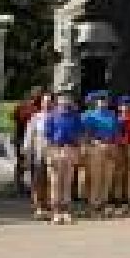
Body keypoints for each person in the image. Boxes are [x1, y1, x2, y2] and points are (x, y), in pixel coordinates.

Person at [43, 89, 83, 224]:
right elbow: (47, 137)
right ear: (57, 101)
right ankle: (56, 212)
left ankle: (66, 211)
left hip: (70, 150)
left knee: (67, 182)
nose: (65, 101)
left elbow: (78, 136)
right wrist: (50, 154)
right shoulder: (52, 116)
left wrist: (77, 153)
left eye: (68, 98)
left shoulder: (75, 116)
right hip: (56, 149)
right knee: (55, 182)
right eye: (62, 98)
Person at [21, 92, 54, 220]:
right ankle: (39, 207)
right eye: (45, 101)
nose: (47, 104)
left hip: (53, 153)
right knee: (38, 181)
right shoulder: (35, 118)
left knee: (51, 181)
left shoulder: (56, 116)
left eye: (49, 101)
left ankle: (50, 206)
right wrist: (26, 153)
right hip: (38, 153)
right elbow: (29, 137)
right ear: (41, 103)